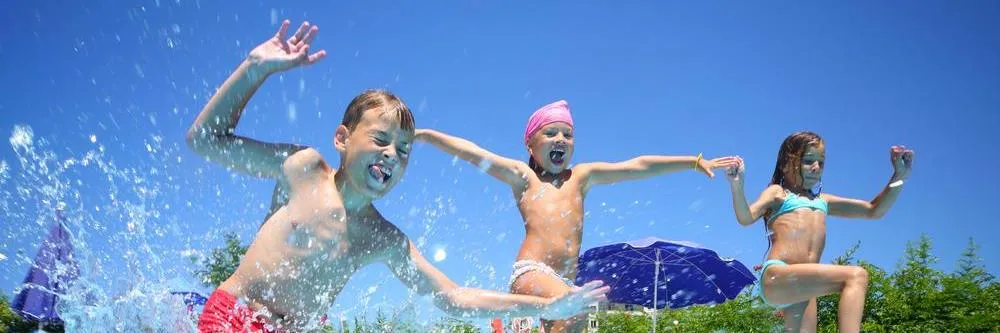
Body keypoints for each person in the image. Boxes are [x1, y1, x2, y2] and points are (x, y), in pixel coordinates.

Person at [185, 20, 609, 332]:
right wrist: (253, 70)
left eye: (404, 150)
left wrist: (542, 308)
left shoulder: (384, 238)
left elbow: (453, 298)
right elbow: (205, 140)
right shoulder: (303, 169)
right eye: (381, 140)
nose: (392, 155)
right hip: (234, 316)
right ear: (342, 138)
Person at [415, 100, 739, 332]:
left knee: (583, 319)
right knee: (576, 306)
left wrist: (693, 162)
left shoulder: (581, 177)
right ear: (530, 144)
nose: (561, 140)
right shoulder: (524, 178)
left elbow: (637, 166)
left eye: (567, 135)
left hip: (566, 281)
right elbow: (474, 153)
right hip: (531, 272)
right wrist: (428, 136)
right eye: (551, 133)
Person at [725, 131, 914, 332]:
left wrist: (899, 176)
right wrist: (737, 186)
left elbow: (874, 210)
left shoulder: (823, 201)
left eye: (821, 163)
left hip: (804, 285)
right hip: (778, 276)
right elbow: (746, 217)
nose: (816, 167)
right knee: (856, 276)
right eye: (808, 161)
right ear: (785, 164)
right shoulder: (778, 193)